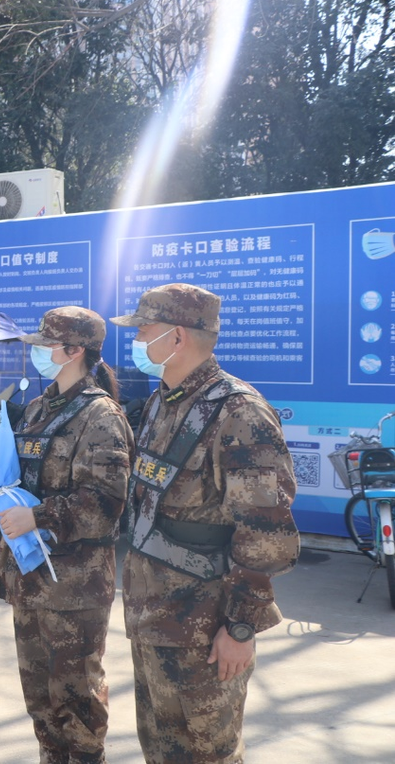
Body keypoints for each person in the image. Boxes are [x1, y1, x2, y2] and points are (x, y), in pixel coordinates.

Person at [110, 283, 300, 763]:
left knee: (208, 753)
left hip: (204, 631)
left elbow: (266, 535)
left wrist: (240, 627)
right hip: (152, 620)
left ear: (175, 338)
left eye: (143, 331)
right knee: (161, 748)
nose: (136, 341)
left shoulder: (239, 413)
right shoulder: (161, 404)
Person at [0, 306, 132, 764]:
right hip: (30, 577)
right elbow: (16, 480)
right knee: (39, 696)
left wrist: (40, 516)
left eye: (45, 347)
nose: (38, 355)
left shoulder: (100, 416)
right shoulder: (38, 408)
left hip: (74, 586)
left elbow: (107, 504)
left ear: (74, 350)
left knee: (76, 696)